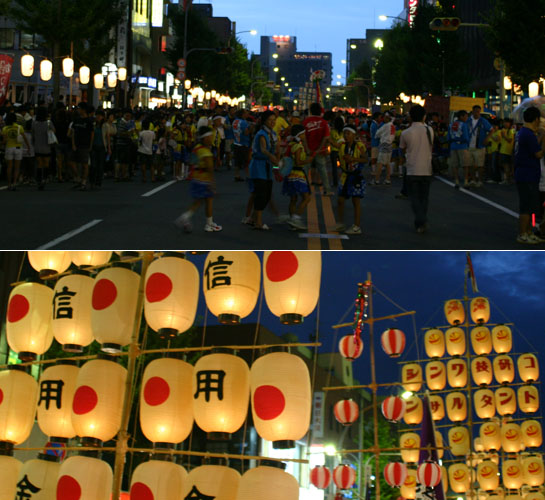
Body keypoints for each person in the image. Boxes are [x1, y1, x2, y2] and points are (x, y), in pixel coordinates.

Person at [174, 126, 222, 233]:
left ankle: (185, 217)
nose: (212, 139)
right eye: (210, 137)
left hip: (195, 178)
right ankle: (209, 224)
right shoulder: (206, 152)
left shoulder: (197, 148)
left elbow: (191, 162)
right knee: (208, 201)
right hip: (204, 180)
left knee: (198, 201)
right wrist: (212, 183)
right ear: (205, 138)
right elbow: (210, 169)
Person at [400, 105, 434, 233]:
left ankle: (420, 219)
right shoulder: (430, 130)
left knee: (414, 198)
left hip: (412, 169)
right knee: (424, 198)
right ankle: (421, 223)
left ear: (410, 117)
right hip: (426, 168)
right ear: (424, 116)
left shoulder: (405, 133)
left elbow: (402, 148)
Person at [514, 106, 545, 244]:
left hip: (524, 173)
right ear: (536, 119)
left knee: (530, 206)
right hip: (527, 174)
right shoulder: (528, 134)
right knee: (526, 207)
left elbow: (533, 148)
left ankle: (528, 232)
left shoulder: (523, 132)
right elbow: (538, 153)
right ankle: (522, 234)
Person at [248, 110, 280, 230]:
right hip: (258, 166)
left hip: (267, 167)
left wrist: (276, 167)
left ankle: (252, 218)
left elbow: (276, 151)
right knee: (261, 194)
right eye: (270, 120)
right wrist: (272, 157)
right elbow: (263, 149)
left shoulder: (273, 134)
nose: (272, 122)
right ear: (264, 121)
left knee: (265, 194)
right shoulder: (262, 134)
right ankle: (258, 223)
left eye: (274, 120)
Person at [336, 126, 368, 235]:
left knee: (356, 201)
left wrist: (353, 159)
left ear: (354, 135)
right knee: (340, 200)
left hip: (355, 176)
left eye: (348, 133)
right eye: (345, 133)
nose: (346, 136)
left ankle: (357, 226)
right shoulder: (342, 146)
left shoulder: (359, 146)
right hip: (345, 175)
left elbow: (365, 159)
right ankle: (340, 223)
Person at [282, 124, 311, 230]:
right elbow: (299, 162)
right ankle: (296, 218)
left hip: (290, 174)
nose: (305, 135)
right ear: (300, 135)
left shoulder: (290, 144)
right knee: (307, 198)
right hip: (298, 174)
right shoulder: (298, 146)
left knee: (293, 199)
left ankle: (292, 222)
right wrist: (308, 160)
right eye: (303, 133)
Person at [303, 103, 333, 195]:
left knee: (304, 171)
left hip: (308, 151)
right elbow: (326, 137)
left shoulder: (306, 121)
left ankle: (304, 189)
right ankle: (327, 190)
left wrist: (307, 149)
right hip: (320, 151)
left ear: (311, 111)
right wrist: (320, 148)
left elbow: (303, 137)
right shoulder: (324, 123)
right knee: (323, 171)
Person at [467, 105, 494, 187]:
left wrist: (487, 138)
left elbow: (491, 130)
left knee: (480, 165)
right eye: (475, 111)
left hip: (480, 146)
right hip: (469, 146)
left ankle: (480, 181)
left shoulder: (483, 121)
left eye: (478, 112)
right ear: (472, 111)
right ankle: (473, 180)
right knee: (471, 164)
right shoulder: (468, 120)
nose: (477, 113)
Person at [1, 112, 30, 190]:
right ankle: (14, 183)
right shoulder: (19, 127)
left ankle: (9, 184)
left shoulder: (5, 128)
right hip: (18, 148)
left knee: (9, 167)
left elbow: (4, 141)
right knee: (17, 167)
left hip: (9, 148)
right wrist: (28, 147)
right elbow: (24, 138)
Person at [70, 102, 94, 190]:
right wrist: (73, 144)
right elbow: (73, 132)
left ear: (83, 110)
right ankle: (78, 178)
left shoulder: (89, 121)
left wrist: (90, 145)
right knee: (72, 162)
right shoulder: (76, 120)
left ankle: (83, 181)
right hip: (76, 144)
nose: (78, 110)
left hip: (85, 145)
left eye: (79, 108)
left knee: (85, 164)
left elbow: (92, 134)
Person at [447, 110, 470, 188]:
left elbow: (448, 138)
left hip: (453, 147)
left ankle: (456, 182)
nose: (467, 118)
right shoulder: (464, 125)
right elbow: (466, 137)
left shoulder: (451, 125)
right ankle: (465, 182)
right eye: (466, 116)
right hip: (462, 147)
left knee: (455, 165)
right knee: (465, 165)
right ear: (461, 116)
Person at [373, 112, 395, 185]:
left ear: (388, 118)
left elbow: (377, 134)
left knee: (380, 163)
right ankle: (388, 179)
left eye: (385, 117)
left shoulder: (385, 126)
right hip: (390, 145)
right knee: (387, 163)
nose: (383, 119)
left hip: (384, 145)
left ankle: (376, 180)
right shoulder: (392, 126)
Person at [232, 109, 252, 182]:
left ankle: (237, 175)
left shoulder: (235, 121)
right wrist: (250, 129)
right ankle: (248, 176)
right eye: (246, 113)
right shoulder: (244, 122)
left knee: (237, 161)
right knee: (246, 161)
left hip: (236, 142)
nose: (247, 114)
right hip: (243, 144)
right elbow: (246, 133)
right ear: (242, 114)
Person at [499, 118, 515, 184]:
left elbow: (510, 140)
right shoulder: (502, 130)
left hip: (507, 150)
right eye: (504, 122)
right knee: (505, 165)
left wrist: (504, 136)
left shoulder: (511, 130)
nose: (505, 124)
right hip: (502, 150)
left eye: (507, 122)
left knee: (507, 165)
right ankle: (507, 178)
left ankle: (507, 179)